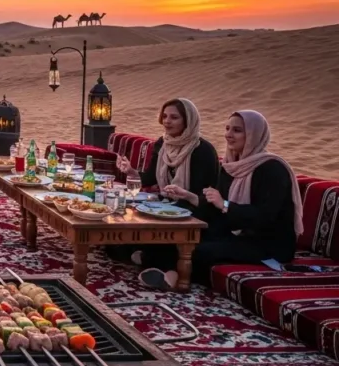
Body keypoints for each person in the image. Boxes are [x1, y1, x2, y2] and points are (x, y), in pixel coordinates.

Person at [139, 110, 303, 291]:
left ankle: (171, 276)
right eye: (227, 129)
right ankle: (156, 264)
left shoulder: (273, 169)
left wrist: (224, 204)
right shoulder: (231, 166)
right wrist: (188, 196)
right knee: (177, 237)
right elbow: (215, 205)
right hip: (234, 232)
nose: (229, 135)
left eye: (237, 130)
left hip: (266, 243)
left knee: (199, 251)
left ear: (255, 135)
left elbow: (265, 216)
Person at [112, 98, 220, 267]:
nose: (167, 122)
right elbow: (150, 178)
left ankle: (152, 260)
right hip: (166, 205)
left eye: (174, 117)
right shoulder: (163, 143)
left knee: (149, 248)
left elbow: (204, 195)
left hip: (194, 210)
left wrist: (182, 196)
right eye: (165, 116)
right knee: (115, 241)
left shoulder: (202, 150)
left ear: (188, 120)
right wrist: (131, 171)